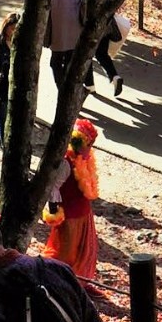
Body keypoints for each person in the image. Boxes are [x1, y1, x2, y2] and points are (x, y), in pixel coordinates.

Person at [43, 117, 101, 284]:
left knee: (84, 252)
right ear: (79, 141)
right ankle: (59, 283)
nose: (90, 148)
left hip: (84, 213)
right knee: (66, 253)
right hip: (70, 217)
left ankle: (79, 283)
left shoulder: (84, 159)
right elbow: (53, 186)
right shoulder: (65, 163)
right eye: (89, 144)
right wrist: (54, 209)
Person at [47, 0, 85, 89]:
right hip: (75, 36)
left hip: (57, 36)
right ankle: (69, 89)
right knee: (70, 63)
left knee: (55, 63)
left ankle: (61, 87)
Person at [0, 14, 18, 148]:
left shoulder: (18, 42)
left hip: (11, 85)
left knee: (9, 119)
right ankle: (3, 145)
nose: (14, 32)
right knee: (3, 118)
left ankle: (0, 136)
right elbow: (2, 66)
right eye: (12, 28)